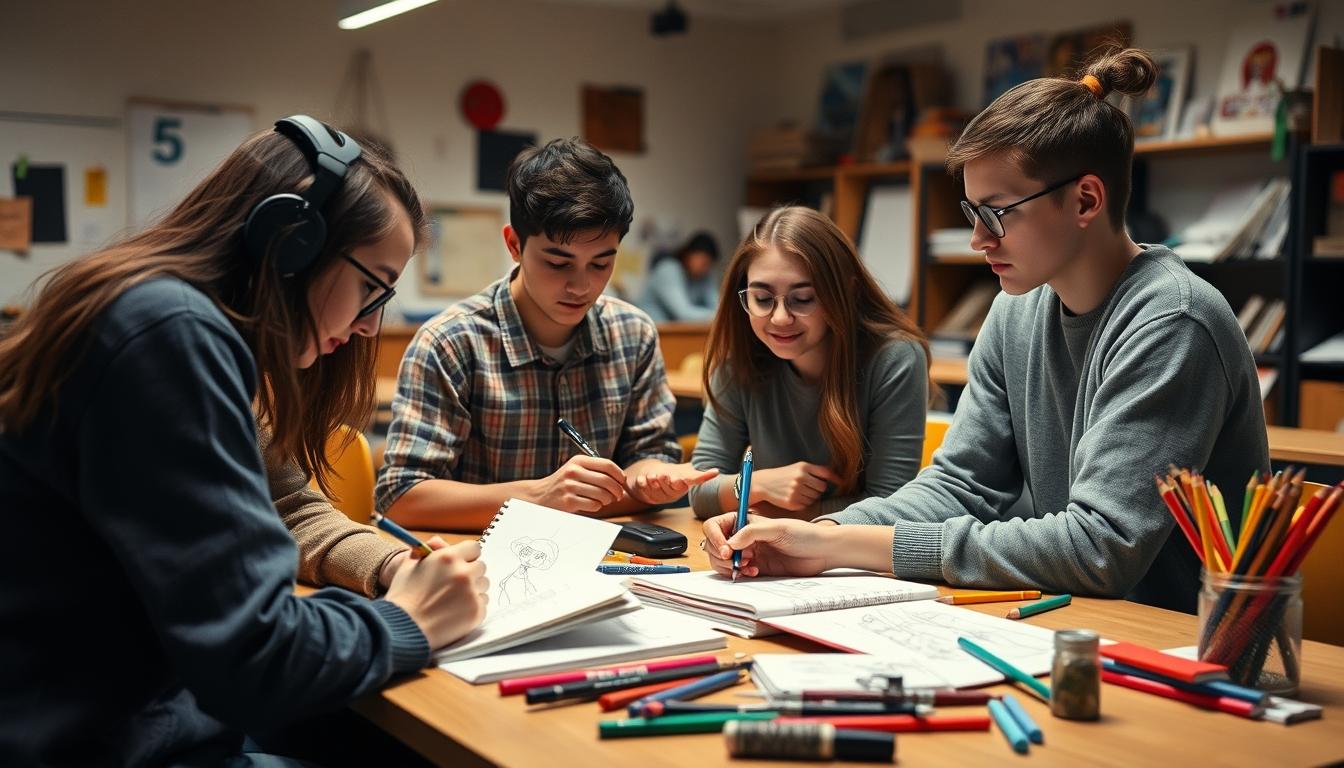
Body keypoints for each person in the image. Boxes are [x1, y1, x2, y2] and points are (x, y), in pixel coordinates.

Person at [702, 48, 1269, 613]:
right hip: (1082, 619)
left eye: (996, 214)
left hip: (1187, 643)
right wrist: (818, 533)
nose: (978, 240)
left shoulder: (1172, 322)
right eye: (972, 215)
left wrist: (843, 544)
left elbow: (1101, 547)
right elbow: (962, 485)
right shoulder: (1015, 311)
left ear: (1086, 200)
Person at [0, 116, 489, 765]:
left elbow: (284, 497)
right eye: (371, 286)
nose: (371, 326)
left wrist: (395, 570)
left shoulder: (154, 313)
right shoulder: (169, 334)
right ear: (290, 244)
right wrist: (411, 621)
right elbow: (258, 662)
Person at [377, 138, 716, 532]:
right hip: (479, 569)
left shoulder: (634, 334)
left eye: (601, 263)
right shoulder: (451, 342)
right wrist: (540, 497)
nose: (581, 286)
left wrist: (651, 474)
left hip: (604, 565)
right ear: (514, 245)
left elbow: (649, 454)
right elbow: (400, 497)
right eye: (558, 263)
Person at [687, 206, 929, 520]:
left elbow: (890, 504)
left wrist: (775, 516)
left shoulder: (895, 359)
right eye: (762, 299)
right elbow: (699, 489)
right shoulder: (740, 362)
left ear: (847, 291)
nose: (780, 317)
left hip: (851, 560)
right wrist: (756, 484)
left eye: (802, 299)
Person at [640, 230, 721, 321]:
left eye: (709, 264)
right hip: (652, 328)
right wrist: (720, 316)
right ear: (688, 255)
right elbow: (684, 313)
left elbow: (718, 307)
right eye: (702, 262)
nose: (705, 268)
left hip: (676, 329)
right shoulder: (668, 269)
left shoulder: (704, 275)